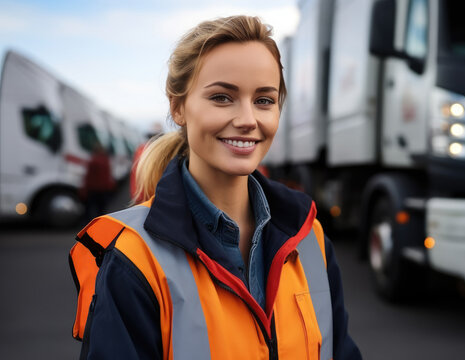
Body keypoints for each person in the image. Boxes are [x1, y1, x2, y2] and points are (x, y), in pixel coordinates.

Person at [69, 15, 362, 359]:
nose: (248, 119)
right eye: (222, 97)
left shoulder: (310, 239)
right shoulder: (134, 258)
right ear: (178, 107)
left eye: (264, 100)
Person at [79, 142, 115, 223]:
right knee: (101, 210)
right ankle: (100, 225)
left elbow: (88, 177)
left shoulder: (93, 160)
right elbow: (109, 176)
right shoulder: (106, 160)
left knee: (89, 210)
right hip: (104, 189)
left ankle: (89, 225)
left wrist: (84, 189)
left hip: (93, 189)